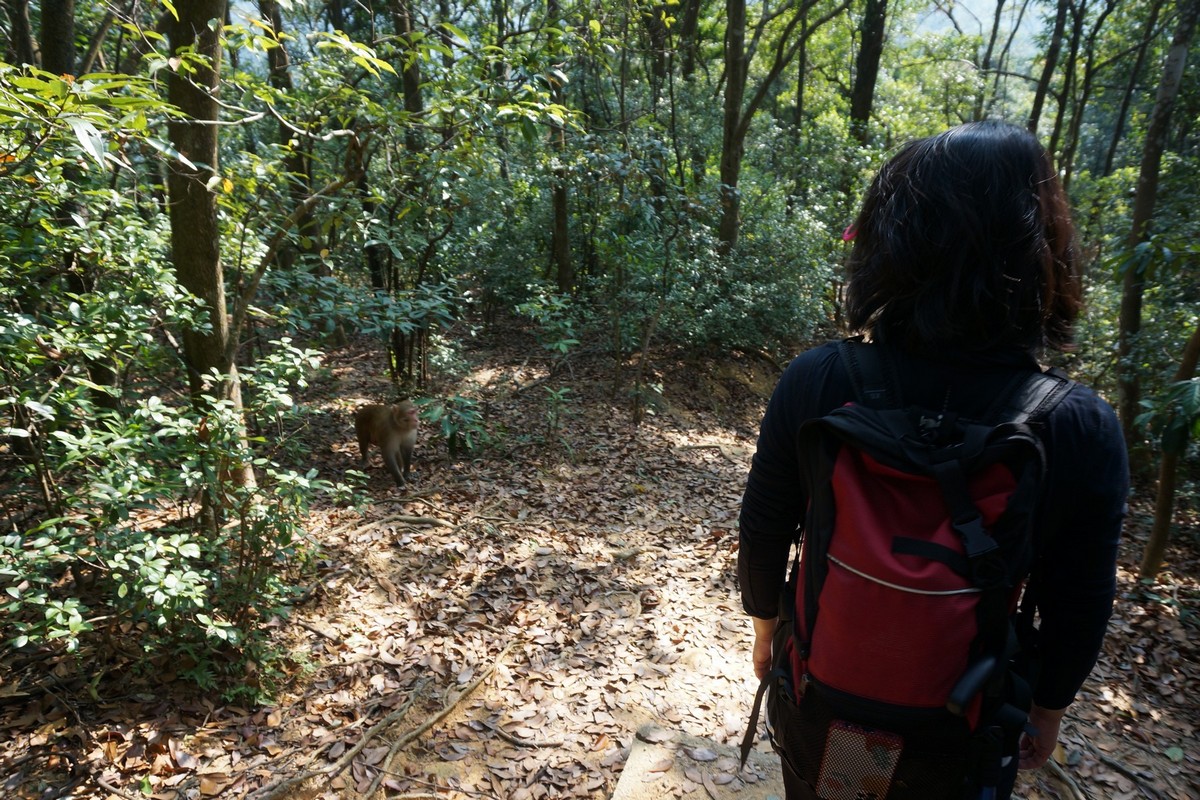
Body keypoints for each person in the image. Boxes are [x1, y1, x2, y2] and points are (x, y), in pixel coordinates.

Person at [738, 120, 1128, 799]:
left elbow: (766, 521)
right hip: (963, 722)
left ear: (892, 241)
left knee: (836, 791)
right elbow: (1079, 597)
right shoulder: (1077, 426)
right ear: (1045, 251)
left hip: (824, 692)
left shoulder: (821, 380)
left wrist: (766, 629)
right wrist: (1048, 707)